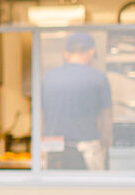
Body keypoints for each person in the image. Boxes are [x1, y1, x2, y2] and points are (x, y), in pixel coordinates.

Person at [42, 31, 113, 170]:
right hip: (87, 150)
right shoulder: (99, 78)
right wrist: (106, 148)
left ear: (66, 54)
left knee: (55, 184)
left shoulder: (48, 78)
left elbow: (41, 117)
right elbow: (107, 120)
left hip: (54, 150)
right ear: (91, 52)